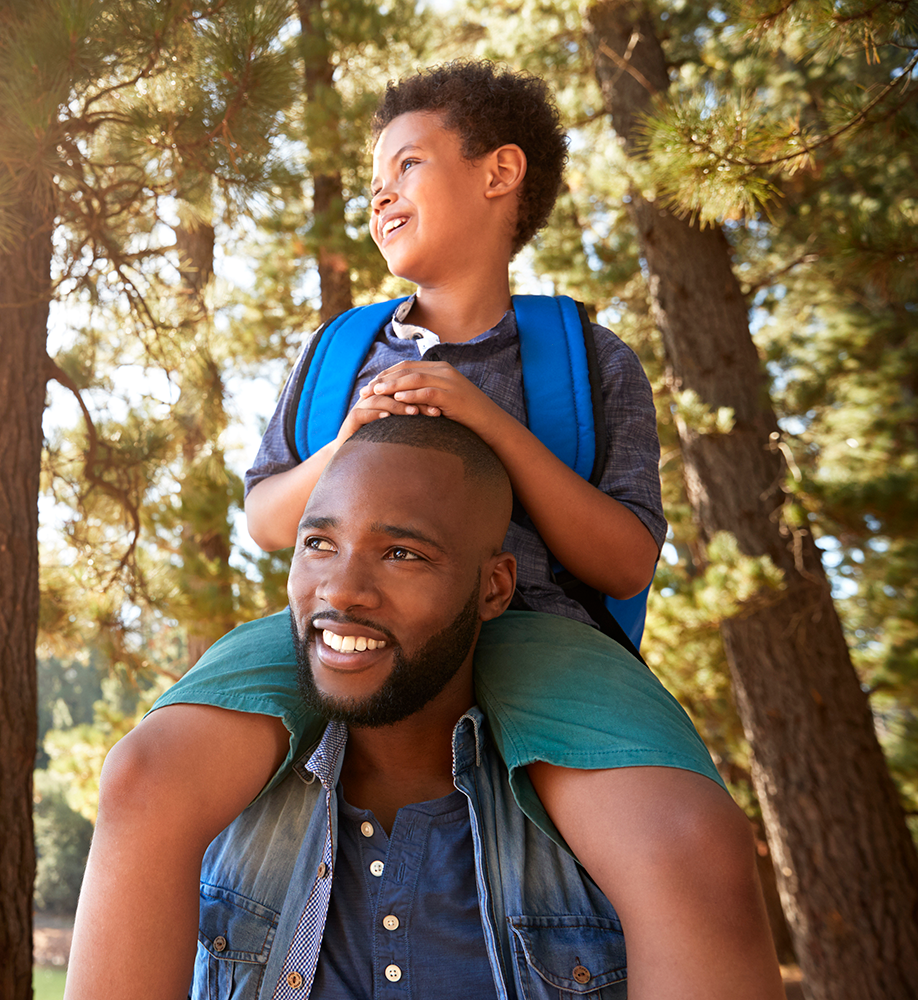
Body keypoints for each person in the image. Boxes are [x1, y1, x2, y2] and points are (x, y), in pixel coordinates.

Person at [67, 62, 781, 999]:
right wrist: (350, 441)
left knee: (690, 843)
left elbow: (624, 557)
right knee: (145, 777)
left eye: (407, 164)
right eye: (374, 179)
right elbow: (267, 519)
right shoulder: (336, 353)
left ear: (500, 173)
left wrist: (487, 422)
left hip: (539, 634)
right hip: (337, 620)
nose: (380, 192)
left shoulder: (587, 359)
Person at [198, 414, 623, 996]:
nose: (342, 590)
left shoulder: (596, 839)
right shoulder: (214, 805)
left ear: (494, 588)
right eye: (319, 543)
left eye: (402, 553)